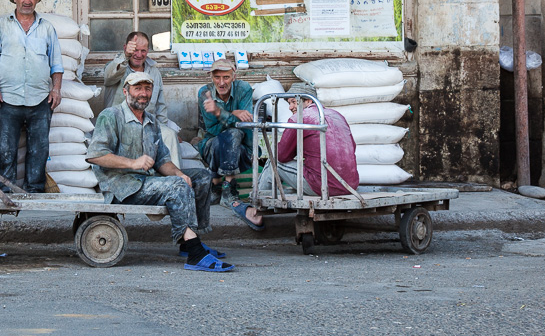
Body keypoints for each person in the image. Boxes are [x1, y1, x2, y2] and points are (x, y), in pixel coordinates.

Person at [87, 72, 233, 272]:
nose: (143, 93)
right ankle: (195, 254)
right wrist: (133, 163)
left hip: (147, 182)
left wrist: (179, 173)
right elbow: (96, 155)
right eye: (138, 88)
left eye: (147, 89)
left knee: (201, 177)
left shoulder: (151, 122)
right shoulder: (111, 116)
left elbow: (162, 160)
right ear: (125, 91)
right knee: (177, 186)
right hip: (122, 186)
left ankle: (189, 240)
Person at [0, 0, 63, 193]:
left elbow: (56, 63)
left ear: (37, 0)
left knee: (39, 150)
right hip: (7, 98)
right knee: (5, 149)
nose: (27, 1)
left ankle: (34, 190)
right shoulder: (0, 26)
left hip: (40, 99)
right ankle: (5, 192)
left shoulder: (46, 28)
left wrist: (56, 89)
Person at [197, 58, 264, 230]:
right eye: (217, 77)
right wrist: (233, 113)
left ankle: (224, 188)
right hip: (213, 147)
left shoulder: (244, 89)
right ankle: (225, 188)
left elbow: (245, 125)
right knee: (227, 135)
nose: (221, 82)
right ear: (211, 77)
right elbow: (213, 129)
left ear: (234, 76)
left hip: (242, 149)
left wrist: (220, 112)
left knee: (235, 134)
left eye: (226, 77)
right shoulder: (205, 93)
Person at [103, 31, 182, 168]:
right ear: (125, 47)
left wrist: (165, 128)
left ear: (148, 51)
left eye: (143, 51)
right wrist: (125, 57)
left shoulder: (154, 72)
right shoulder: (118, 66)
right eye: (135, 50)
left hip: (148, 125)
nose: (139, 55)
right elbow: (108, 77)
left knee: (169, 135)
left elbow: (160, 105)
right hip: (121, 124)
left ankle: (175, 181)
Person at [276, 82, 359, 196]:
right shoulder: (337, 115)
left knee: (273, 159)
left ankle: (260, 202)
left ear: (309, 101)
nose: (290, 107)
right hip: (350, 186)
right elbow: (352, 147)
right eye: (289, 103)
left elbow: (282, 155)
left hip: (322, 186)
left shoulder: (299, 118)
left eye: (294, 102)